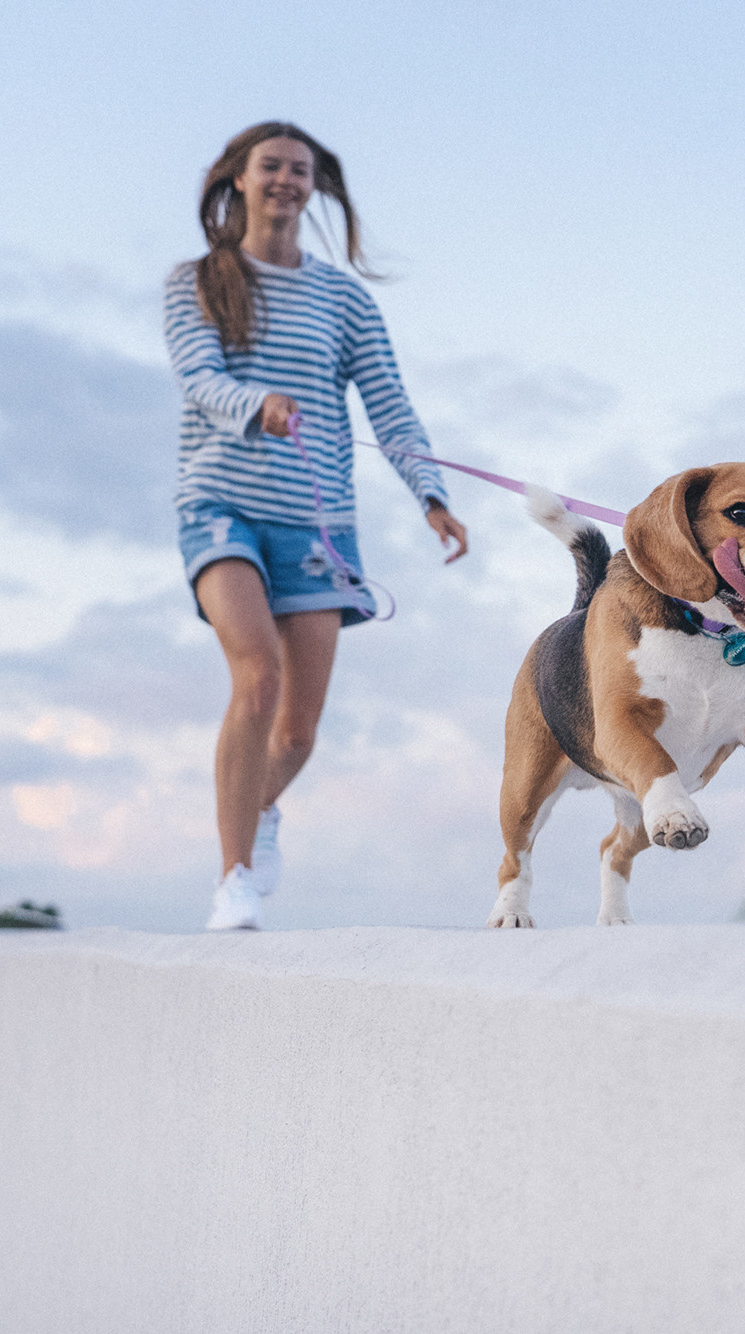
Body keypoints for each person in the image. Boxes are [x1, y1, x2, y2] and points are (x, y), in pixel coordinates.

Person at [164, 121, 468, 930]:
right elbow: (198, 378)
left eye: (300, 171)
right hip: (221, 504)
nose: (285, 181)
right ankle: (233, 877)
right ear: (238, 178)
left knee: (296, 734)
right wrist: (255, 407)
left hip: (317, 522)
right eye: (271, 167)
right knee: (255, 676)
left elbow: (389, 404)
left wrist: (430, 494)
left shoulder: (344, 298)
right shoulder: (198, 280)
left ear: (314, 186)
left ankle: (256, 817)